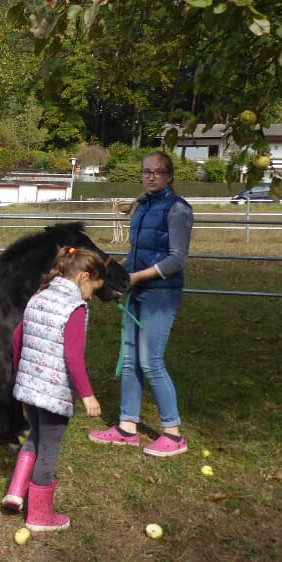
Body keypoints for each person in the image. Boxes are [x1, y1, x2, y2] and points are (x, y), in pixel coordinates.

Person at [89, 150, 193, 457]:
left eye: (157, 172)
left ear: (170, 176)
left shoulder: (178, 209)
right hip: (138, 289)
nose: (150, 176)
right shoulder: (145, 206)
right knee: (132, 360)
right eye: (146, 172)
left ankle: (173, 434)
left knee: (152, 362)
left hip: (161, 294)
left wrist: (135, 278)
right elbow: (138, 253)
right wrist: (114, 272)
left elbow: (176, 260)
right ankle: (127, 428)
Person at [1, 246, 107, 532]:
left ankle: (15, 491)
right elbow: (73, 357)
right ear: (84, 277)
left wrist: (21, 371)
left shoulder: (39, 296)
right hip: (53, 393)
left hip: (28, 388)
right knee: (49, 449)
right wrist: (87, 395)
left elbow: (16, 338)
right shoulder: (74, 308)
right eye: (93, 289)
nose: (90, 296)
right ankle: (39, 515)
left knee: (34, 435)